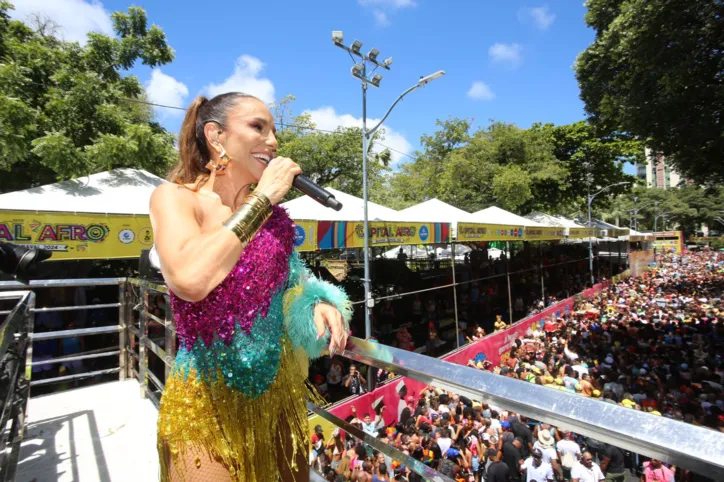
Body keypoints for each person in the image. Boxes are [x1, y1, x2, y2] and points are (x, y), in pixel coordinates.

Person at [151, 92, 351, 482]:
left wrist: (318, 301)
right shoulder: (174, 198)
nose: (273, 141)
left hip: (278, 401)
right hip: (203, 405)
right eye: (258, 127)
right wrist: (262, 199)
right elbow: (191, 280)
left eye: (275, 131)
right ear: (216, 135)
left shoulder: (276, 220)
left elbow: (294, 281)